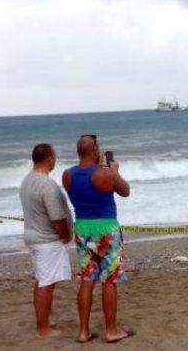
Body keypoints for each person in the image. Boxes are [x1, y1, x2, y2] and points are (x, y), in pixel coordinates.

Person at [62, 135, 133, 343]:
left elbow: (84, 187)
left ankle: (83, 331)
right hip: (106, 229)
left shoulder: (67, 175)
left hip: (83, 228)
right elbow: (125, 191)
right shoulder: (105, 174)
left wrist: (103, 167)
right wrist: (114, 170)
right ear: (96, 150)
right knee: (109, 280)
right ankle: (111, 329)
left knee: (87, 278)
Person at [19, 143, 72, 339]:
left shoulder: (27, 180)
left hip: (33, 236)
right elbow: (57, 217)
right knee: (47, 283)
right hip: (46, 239)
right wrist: (66, 235)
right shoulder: (47, 185)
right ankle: (43, 328)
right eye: (54, 156)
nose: (55, 160)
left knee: (42, 279)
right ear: (49, 159)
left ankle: (44, 320)